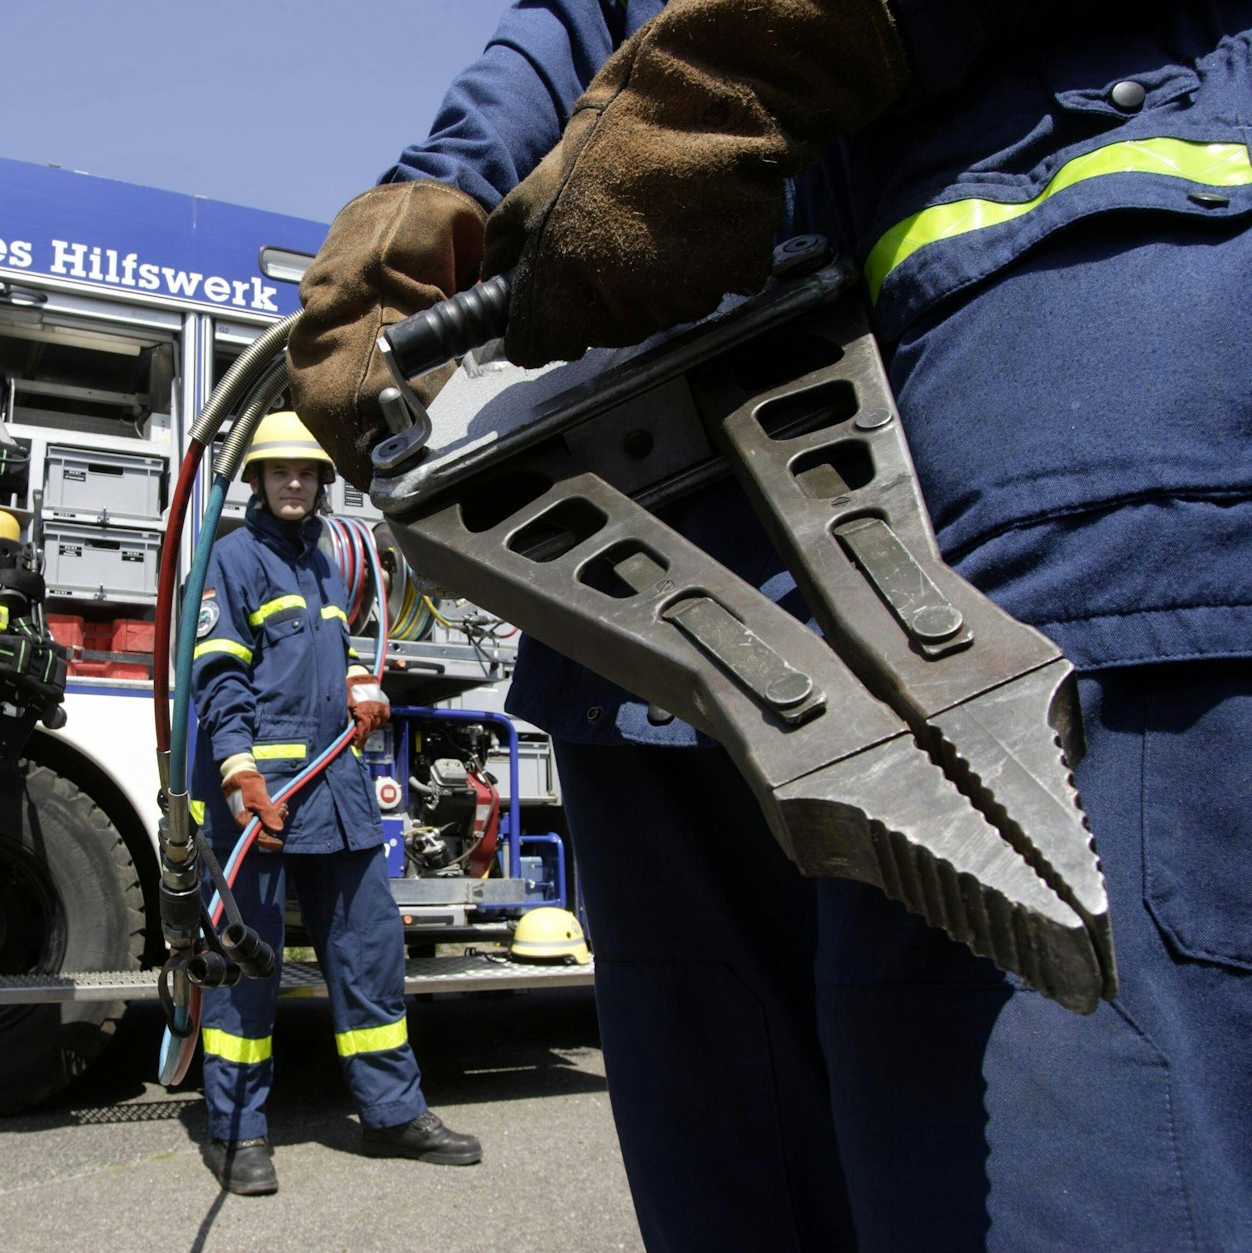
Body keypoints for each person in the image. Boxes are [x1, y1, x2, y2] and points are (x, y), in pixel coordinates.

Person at [288, 2, 1252, 1249]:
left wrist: (796, 33)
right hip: (654, 595)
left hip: (1041, 416)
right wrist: (438, 187)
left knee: (1070, 1181)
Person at [187, 410, 482, 1196]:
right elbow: (217, 680)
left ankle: (392, 1114)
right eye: (280, 471)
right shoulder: (230, 560)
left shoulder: (323, 562)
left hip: (337, 791)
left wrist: (357, 684)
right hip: (262, 799)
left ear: (323, 481)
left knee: (370, 955)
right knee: (250, 967)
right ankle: (239, 1131)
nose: (294, 482)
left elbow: (330, 649)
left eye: (307, 472)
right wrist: (238, 773)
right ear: (255, 479)